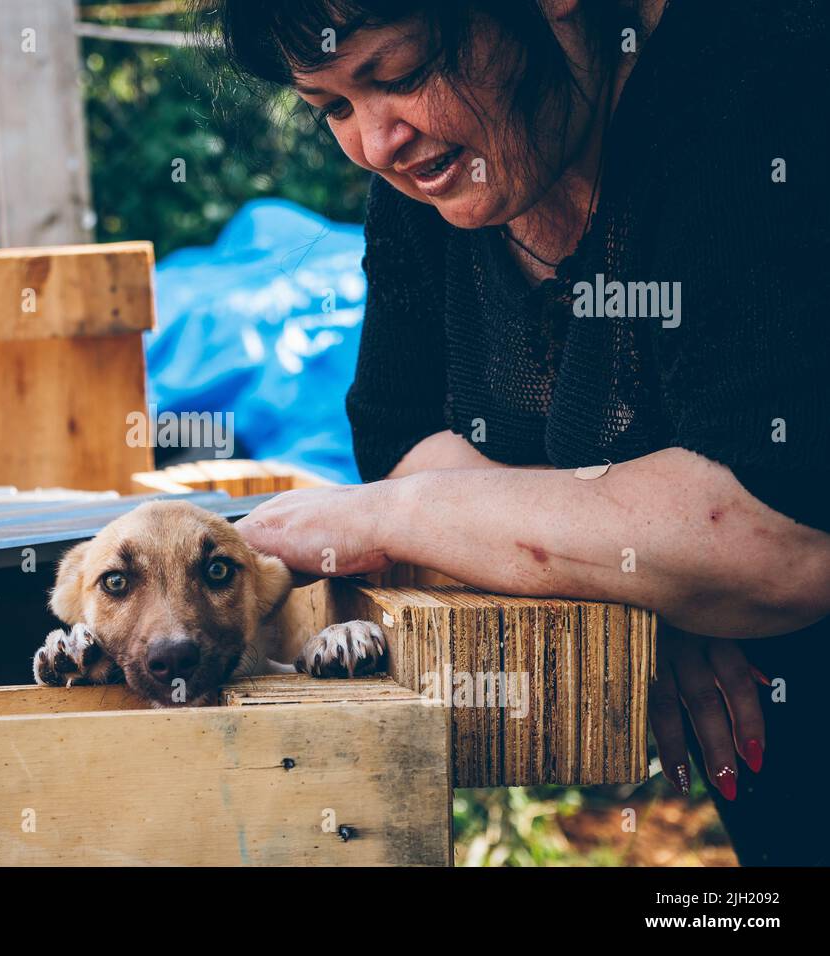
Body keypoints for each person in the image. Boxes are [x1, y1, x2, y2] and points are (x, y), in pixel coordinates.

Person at [215, 0, 830, 864]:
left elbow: (778, 530)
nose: (378, 143)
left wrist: (397, 518)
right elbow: (397, 429)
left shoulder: (768, 83)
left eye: (398, 76)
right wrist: (645, 572)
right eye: (334, 108)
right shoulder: (432, 173)